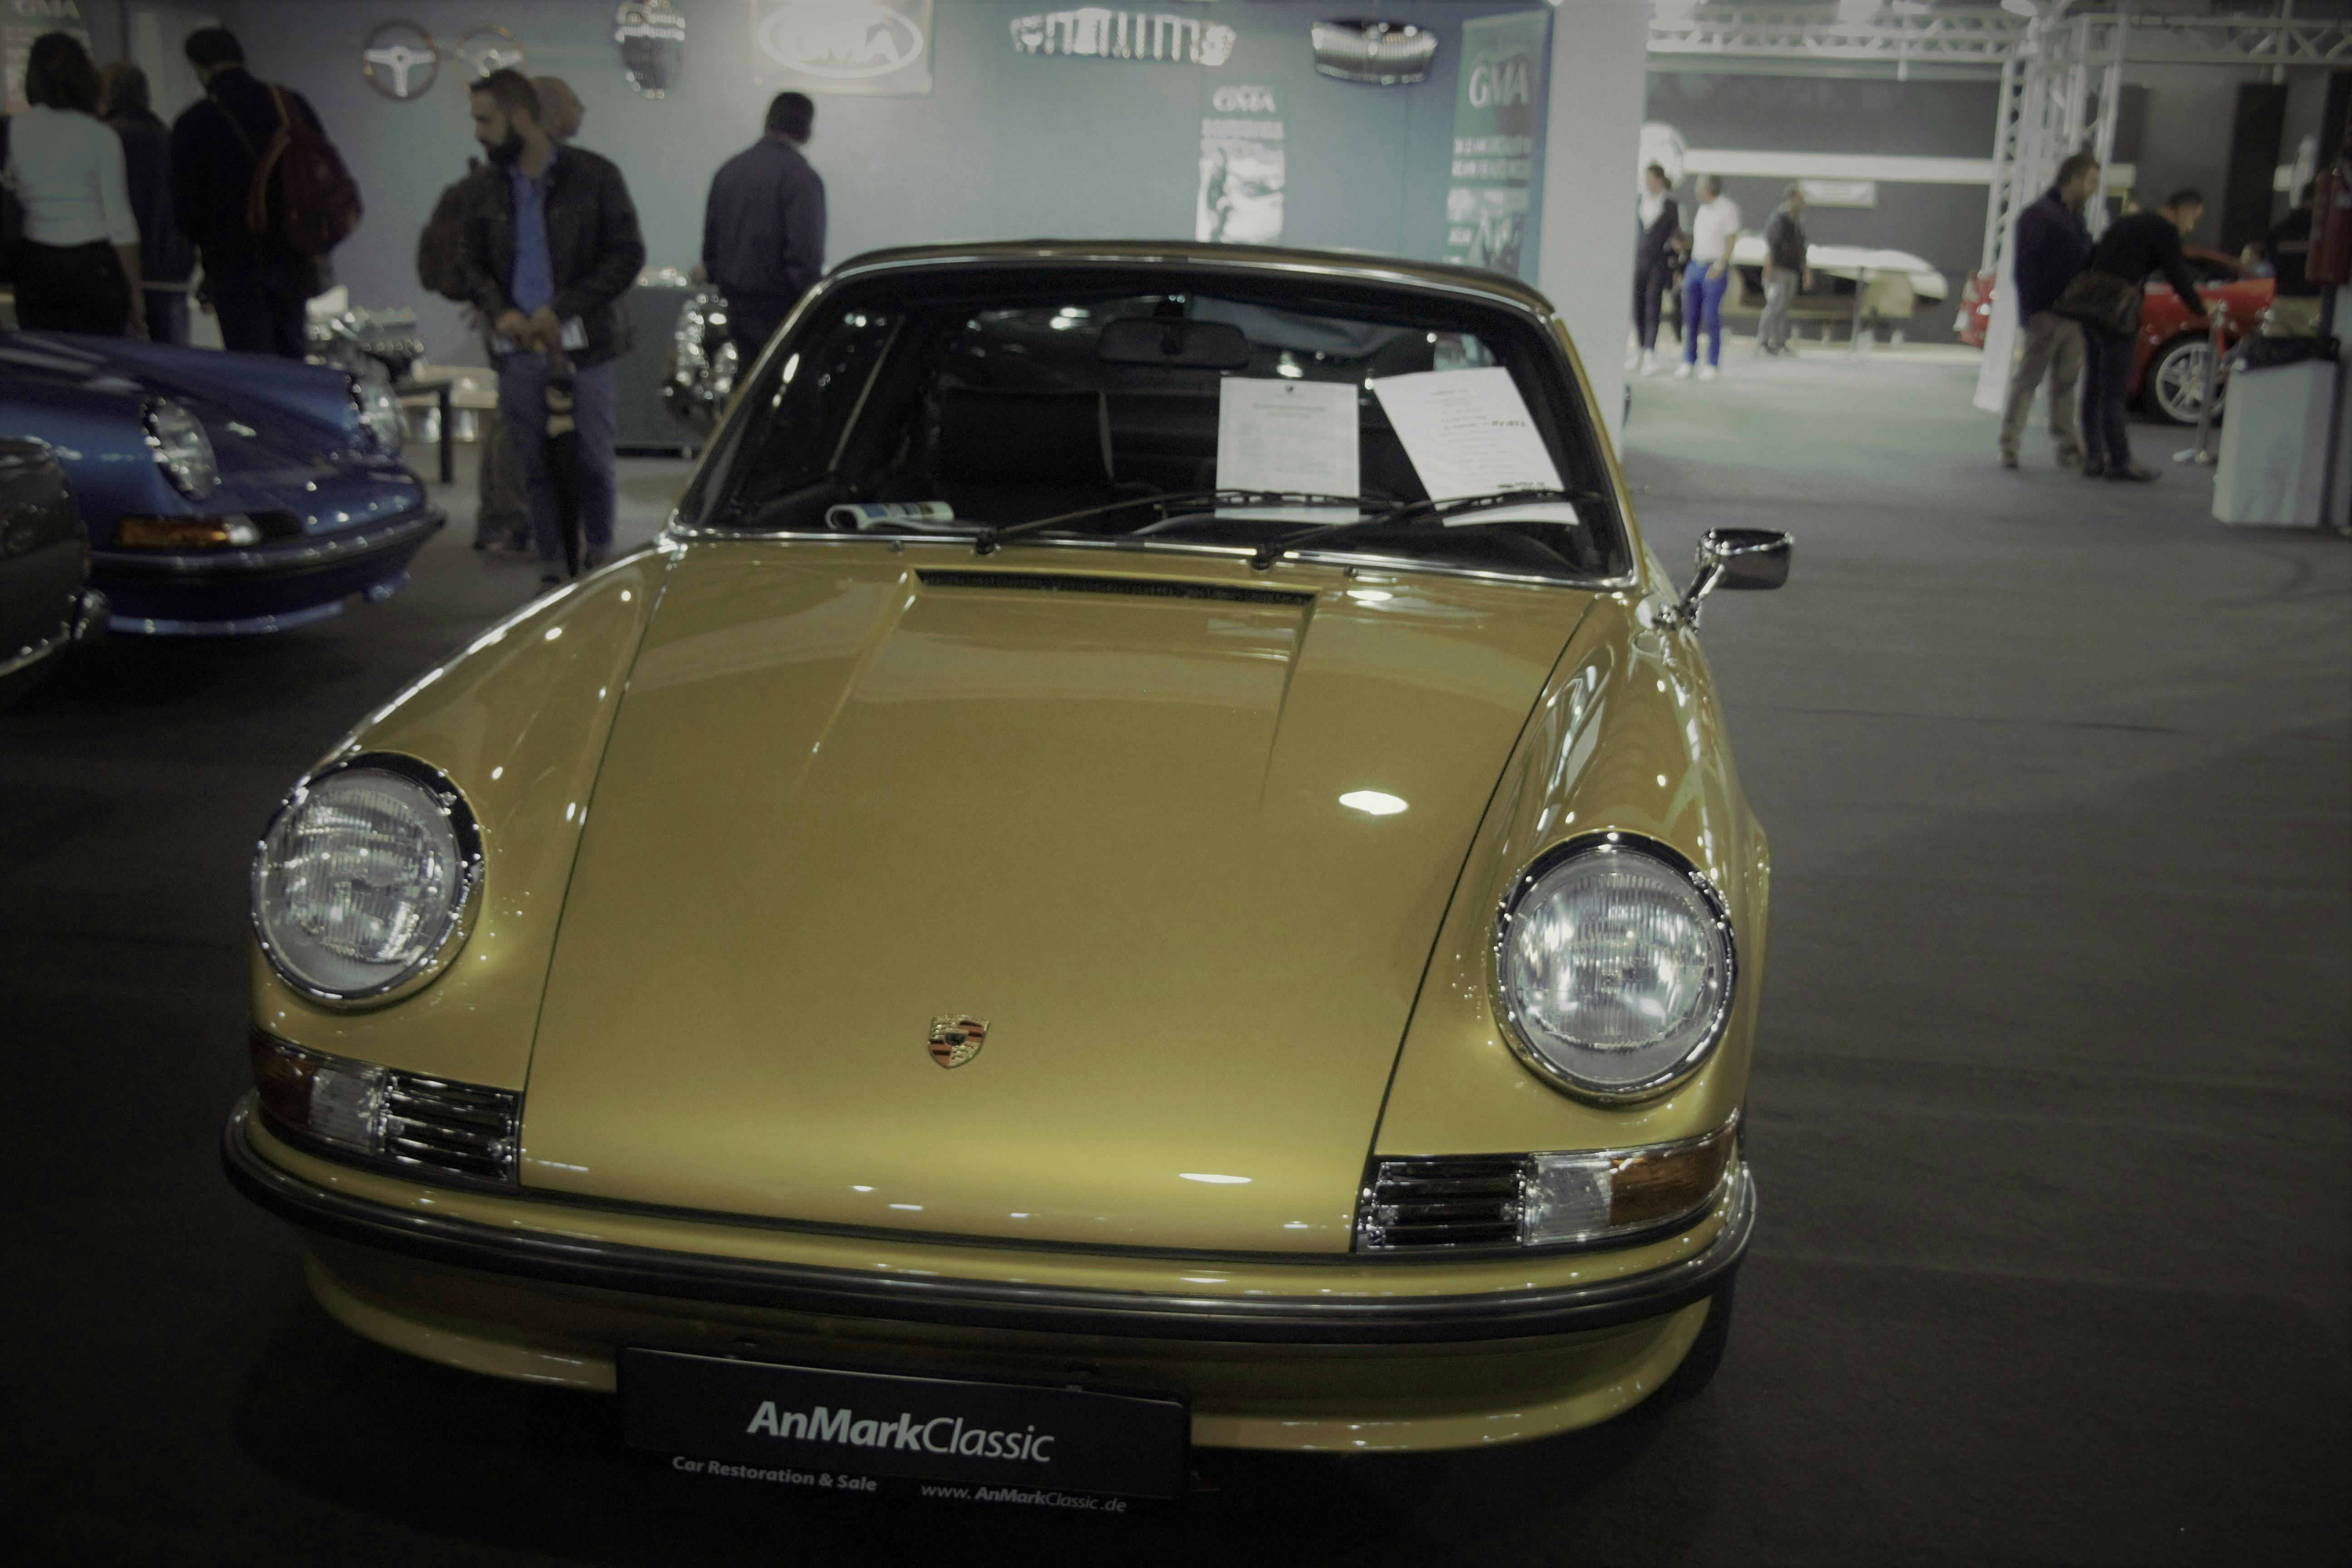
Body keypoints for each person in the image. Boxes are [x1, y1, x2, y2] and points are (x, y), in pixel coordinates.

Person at [454, 69, 645, 589]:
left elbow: (626, 254)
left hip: (585, 346)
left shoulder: (596, 176)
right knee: (533, 464)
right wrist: (502, 312)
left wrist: (562, 310)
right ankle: (553, 568)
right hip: (517, 348)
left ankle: (600, 558)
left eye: (486, 121)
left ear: (520, 119)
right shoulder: (484, 189)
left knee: (593, 461)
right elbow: (470, 264)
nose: (478, 133)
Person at [168, 26, 331, 356]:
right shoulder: (290, 105)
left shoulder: (195, 121)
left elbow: (185, 210)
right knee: (291, 356)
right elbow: (321, 175)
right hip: (291, 256)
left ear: (198, 66)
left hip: (232, 264)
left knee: (250, 360)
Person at [3, 33, 141, 335]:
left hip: (36, 265)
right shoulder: (102, 136)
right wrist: (135, 293)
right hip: (95, 266)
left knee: (48, 355)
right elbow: (120, 223)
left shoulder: (12, 129)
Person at [2076, 188, 2208, 482]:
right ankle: (2119, 461)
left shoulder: (2126, 222)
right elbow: (2177, 275)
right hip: (2119, 314)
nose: (2192, 226)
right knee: (2114, 391)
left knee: (2093, 386)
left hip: (2092, 307)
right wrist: (2200, 308)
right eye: (2195, 218)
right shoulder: (2164, 231)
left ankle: (2094, 457)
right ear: (2184, 210)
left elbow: (2092, 257)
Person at [699, 92, 826, 361]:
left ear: (768, 120)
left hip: (733, 307)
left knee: (745, 380)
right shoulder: (802, 179)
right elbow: (805, 255)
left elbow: (711, 248)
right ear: (807, 130)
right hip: (780, 310)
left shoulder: (728, 171)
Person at [1998, 152, 2100, 470]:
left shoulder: (2075, 219)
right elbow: (2025, 269)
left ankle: (2067, 448)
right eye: (2091, 182)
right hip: (2047, 316)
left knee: (2065, 385)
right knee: (2029, 381)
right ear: (2075, 180)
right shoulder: (2038, 216)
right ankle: (2009, 446)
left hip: (2074, 316)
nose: (2094, 190)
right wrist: (2033, 314)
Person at [99, 60, 195, 344]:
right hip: (171, 272)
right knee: (172, 362)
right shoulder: (170, 139)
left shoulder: (105, 140)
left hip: (120, 272)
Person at [1677, 174, 1739, 381]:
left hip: (1714, 267)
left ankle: (1712, 363)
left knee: (1710, 316)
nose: (1696, 190)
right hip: (1696, 265)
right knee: (1690, 316)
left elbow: (1731, 240)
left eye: (1698, 186)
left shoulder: (1727, 208)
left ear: (1707, 188)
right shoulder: (1703, 209)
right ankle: (1689, 361)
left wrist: (1721, 264)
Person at [1632, 163, 1679, 377]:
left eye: (1650, 178)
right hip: (1639, 262)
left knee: (1653, 305)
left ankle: (1650, 352)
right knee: (1638, 306)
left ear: (1659, 180)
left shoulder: (1669, 206)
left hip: (1658, 263)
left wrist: (1675, 264)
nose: (1646, 183)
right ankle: (1641, 349)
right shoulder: (1638, 202)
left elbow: (1675, 235)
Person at [1758, 183, 1812, 357]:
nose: (1803, 202)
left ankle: (1779, 341)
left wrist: (1806, 271)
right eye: (1800, 198)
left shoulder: (1798, 221)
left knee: (1783, 307)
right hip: (1779, 270)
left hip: (1792, 270)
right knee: (1774, 305)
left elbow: (1802, 248)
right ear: (1792, 198)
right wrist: (1769, 268)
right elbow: (1772, 245)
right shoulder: (1780, 219)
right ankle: (1763, 341)